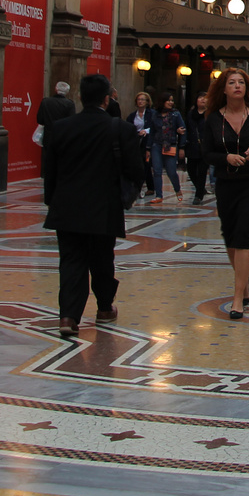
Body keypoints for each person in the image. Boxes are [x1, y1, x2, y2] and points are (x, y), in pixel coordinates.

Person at [41, 73, 147, 337]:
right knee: (102, 259)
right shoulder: (120, 128)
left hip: (67, 207)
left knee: (71, 261)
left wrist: (51, 201)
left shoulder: (62, 128)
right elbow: (136, 169)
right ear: (106, 99)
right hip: (105, 205)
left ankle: (68, 316)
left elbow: (49, 171)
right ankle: (103, 307)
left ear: (79, 96)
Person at [201, 67, 249, 320]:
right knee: (230, 234)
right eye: (232, 82)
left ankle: (238, 297)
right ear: (223, 89)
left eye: (241, 82)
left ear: (247, 88)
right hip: (226, 184)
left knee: (245, 233)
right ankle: (244, 282)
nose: (237, 86)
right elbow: (206, 153)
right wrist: (226, 158)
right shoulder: (213, 118)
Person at [146, 93, 186, 205]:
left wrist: (182, 146)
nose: (170, 102)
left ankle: (177, 189)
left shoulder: (175, 114)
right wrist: (148, 148)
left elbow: (183, 129)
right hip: (157, 145)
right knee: (157, 171)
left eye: (172, 100)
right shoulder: (155, 115)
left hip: (170, 145)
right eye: (168, 100)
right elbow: (152, 132)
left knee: (171, 171)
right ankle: (159, 195)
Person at [184, 91, 210, 204]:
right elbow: (186, 127)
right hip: (192, 145)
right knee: (191, 169)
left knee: (202, 171)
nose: (203, 100)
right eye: (200, 97)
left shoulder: (210, 114)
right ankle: (200, 188)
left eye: (205, 98)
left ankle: (198, 195)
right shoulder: (191, 114)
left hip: (205, 146)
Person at [128, 92, 155, 198]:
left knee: (146, 164)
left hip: (147, 141)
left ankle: (144, 187)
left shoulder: (152, 114)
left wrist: (145, 131)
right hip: (136, 142)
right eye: (139, 99)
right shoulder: (132, 115)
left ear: (147, 102)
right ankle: (148, 187)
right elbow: (129, 127)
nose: (140, 101)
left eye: (143, 99)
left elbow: (154, 127)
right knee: (140, 164)